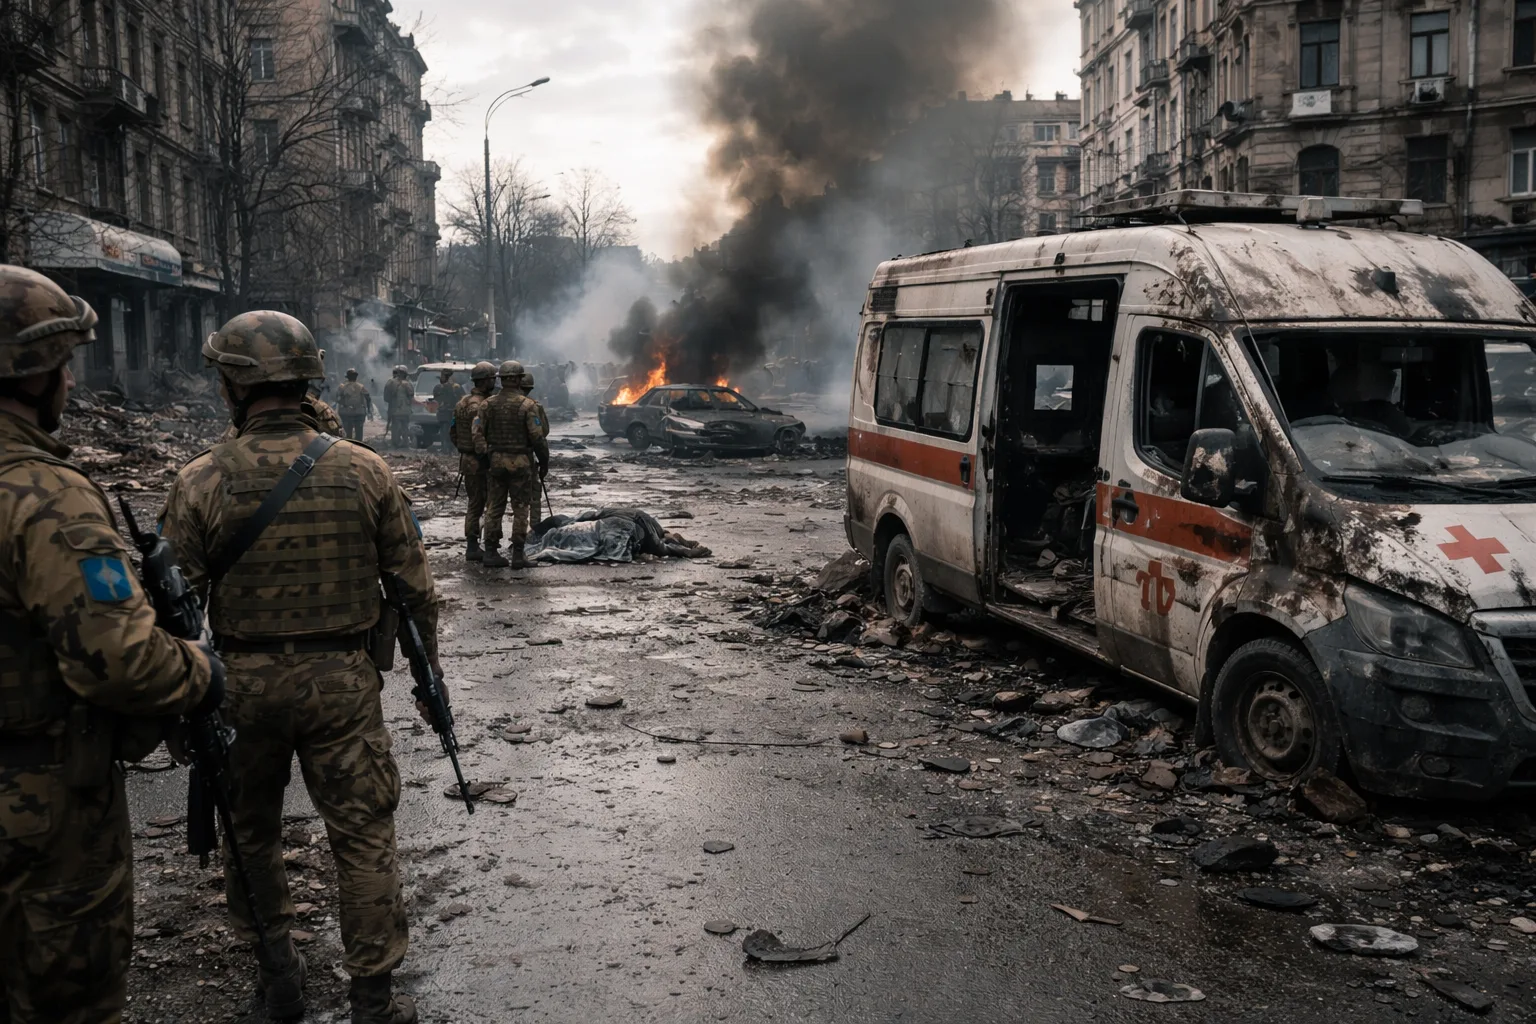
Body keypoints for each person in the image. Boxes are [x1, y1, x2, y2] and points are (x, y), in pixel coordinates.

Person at [160, 311, 438, 1024]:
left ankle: (278, 977)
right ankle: (373, 999)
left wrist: (179, 711)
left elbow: (173, 611)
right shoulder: (365, 469)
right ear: (306, 377)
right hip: (343, 682)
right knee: (363, 835)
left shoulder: (201, 480)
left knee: (249, 832)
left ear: (233, 386)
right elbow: (413, 591)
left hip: (241, 687)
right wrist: (426, 676)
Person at [0, 265, 220, 1022]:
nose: (70, 378)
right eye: (62, 362)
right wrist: (200, 671)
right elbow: (120, 660)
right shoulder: (40, 493)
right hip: (37, 810)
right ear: (32, 375)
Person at [473, 360, 548, 569]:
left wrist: (486, 458)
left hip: (496, 462)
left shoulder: (487, 405)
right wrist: (544, 463)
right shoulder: (528, 406)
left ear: (502, 379)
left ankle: (490, 553)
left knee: (494, 507)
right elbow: (538, 438)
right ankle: (517, 554)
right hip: (521, 463)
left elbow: (477, 435)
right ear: (517, 379)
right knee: (521, 508)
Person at [450, 362, 497, 562]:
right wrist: (486, 457)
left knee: (474, 504)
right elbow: (478, 435)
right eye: (492, 379)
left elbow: (453, 432)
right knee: (488, 504)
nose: (495, 382)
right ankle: (484, 546)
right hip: (480, 461)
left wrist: (465, 450)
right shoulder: (480, 406)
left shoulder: (462, 403)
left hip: (467, 459)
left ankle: (472, 544)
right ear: (484, 380)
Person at [517, 369, 551, 524]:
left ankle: (490, 539)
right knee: (532, 495)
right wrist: (544, 462)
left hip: (497, 460)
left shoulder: (492, 404)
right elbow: (541, 435)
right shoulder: (533, 406)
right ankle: (532, 529)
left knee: (496, 501)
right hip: (524, 459)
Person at [336, 369, 373, 441]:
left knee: (348, 434)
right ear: (356, 377)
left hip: (348, 413)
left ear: (347, 377)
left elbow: (338, 399)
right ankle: (359, 447)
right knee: (359, 432)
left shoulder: (343, 387)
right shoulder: (361, 386)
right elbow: (368, 397)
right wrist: (368, 409)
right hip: (359, 413)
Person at [431, 369, 464, 449]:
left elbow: (436, 398)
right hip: (453, 413)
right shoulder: (457, 387)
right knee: (452, 431)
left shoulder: (438, 387)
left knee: (444, 431)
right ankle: (451, 448)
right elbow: (462, 398)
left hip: (444, 413)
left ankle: (445, 448)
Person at [382, 366, 414, 449]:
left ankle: (395, 444)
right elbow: (411, 396)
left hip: (395, 410)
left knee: (395, 427)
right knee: (405, 427)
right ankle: (405, 444)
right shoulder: (408, 383)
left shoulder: (390, 382)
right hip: (406, 410)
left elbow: (386, 398)